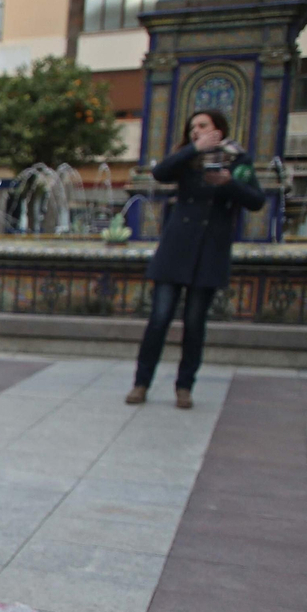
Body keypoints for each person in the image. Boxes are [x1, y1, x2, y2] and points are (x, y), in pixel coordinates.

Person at [127, 110, 264, 409]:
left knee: (194, 322)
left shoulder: (238, 159)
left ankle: (184, 387)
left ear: (219, 129)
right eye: (192, 128)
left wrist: (228, 183)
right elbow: (160, 172)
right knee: (159, 317)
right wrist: (194, 149)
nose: (196, 131)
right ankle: (141, 383)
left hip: (211, 248)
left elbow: (256, 200)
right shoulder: (186, 157)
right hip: (176, 247)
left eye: (202, 126)